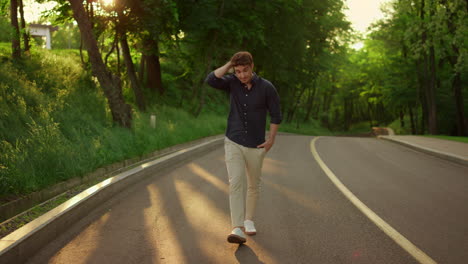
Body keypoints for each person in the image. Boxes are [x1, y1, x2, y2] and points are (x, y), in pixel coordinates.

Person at [205, 51, 282, 244]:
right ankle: (237, 228)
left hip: (256, 144)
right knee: (236, 181)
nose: (241, 75)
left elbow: (276, 115)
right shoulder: (231, 82)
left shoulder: (267, 88)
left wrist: (271, 139)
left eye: (244, 70)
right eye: (238, 71)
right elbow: (211, 79)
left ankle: (248, 220)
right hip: (233, 141)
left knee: (253, 184)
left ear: (252, 66)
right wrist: (230, 63)